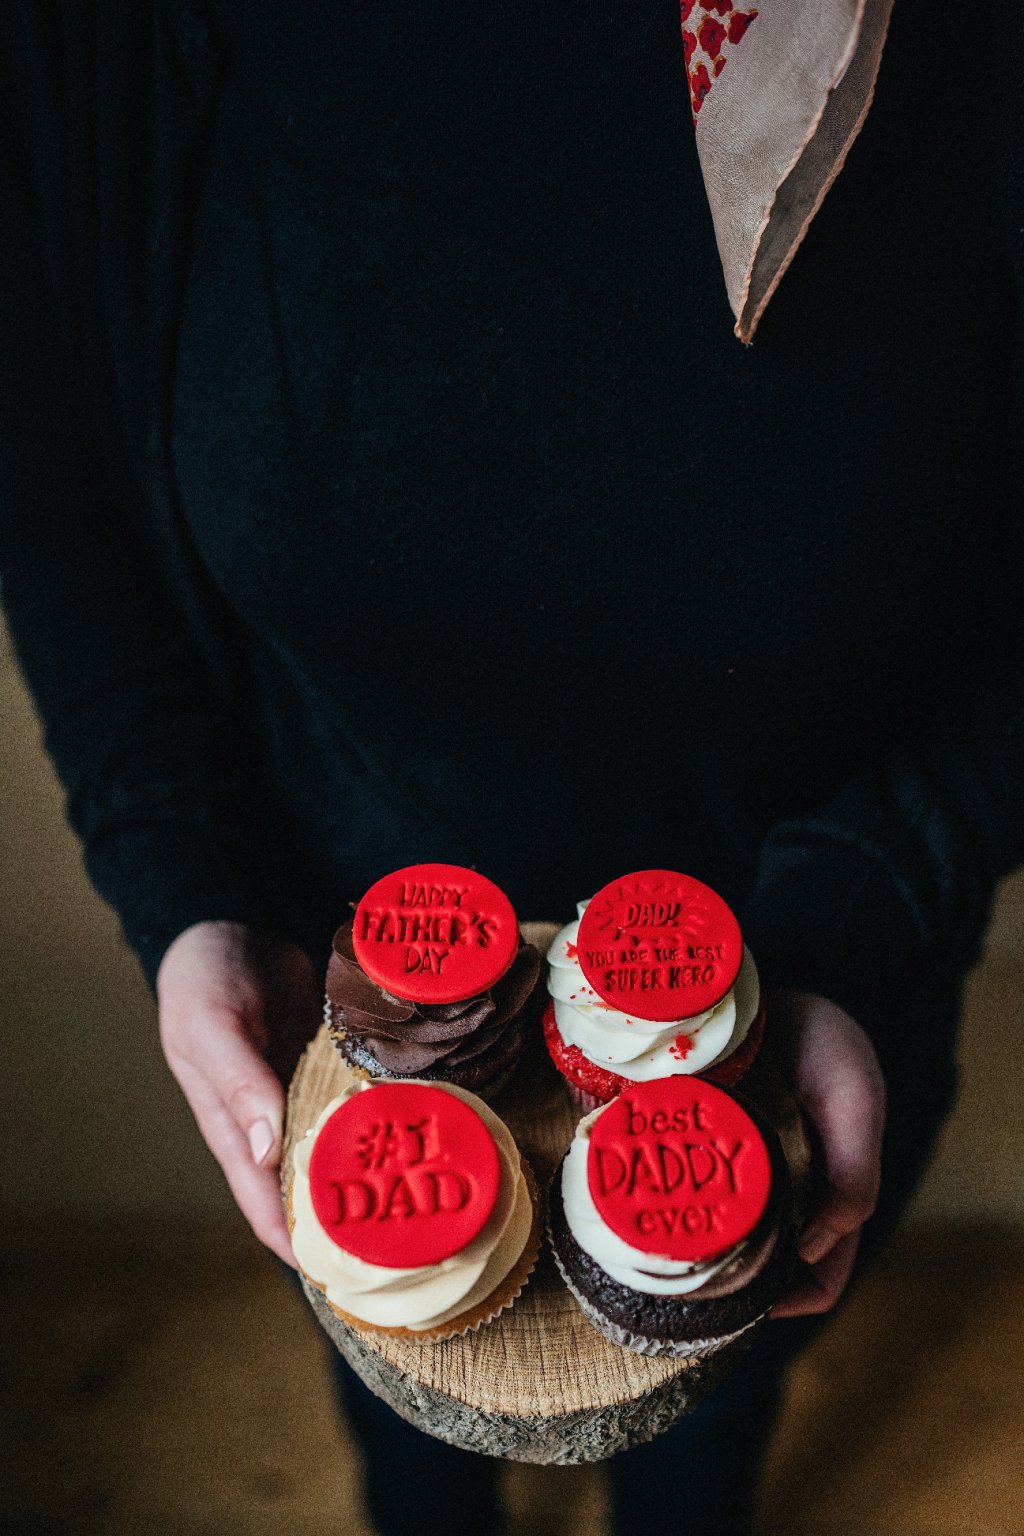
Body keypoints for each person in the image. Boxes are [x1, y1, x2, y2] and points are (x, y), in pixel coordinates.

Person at [2, 4, 1021, 1533]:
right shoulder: (111, 44)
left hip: (816, 1010)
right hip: (339, 1009)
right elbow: (50, 455)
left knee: (707, 1440)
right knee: (411, 1443)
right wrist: (181, 873)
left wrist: (871, 898)